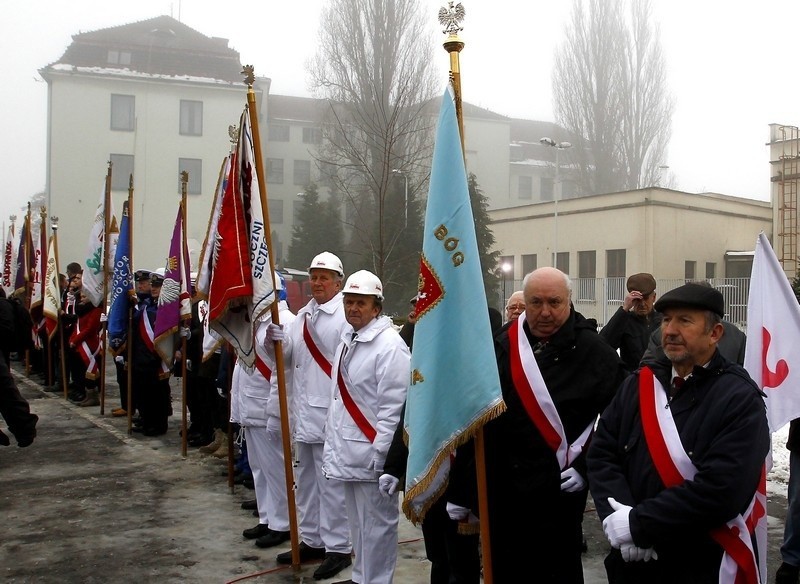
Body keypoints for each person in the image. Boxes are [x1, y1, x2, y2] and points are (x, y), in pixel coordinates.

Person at [447, 267, 627, 583]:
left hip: (555, 494)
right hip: (503, 492)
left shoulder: (595, 352)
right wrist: (462, 490)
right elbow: (474, 423)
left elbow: (619, 421)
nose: (545, 312)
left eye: (554, 302)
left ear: (569, 302)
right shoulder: (501, 345)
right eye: (536, 302)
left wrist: (585, 466)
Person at [587, 282, 769, 583]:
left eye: (684, 320)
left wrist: (639, 524)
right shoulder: (639, 384)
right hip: (633, 563)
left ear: (715, 334)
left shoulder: (739, 398)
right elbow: (603, 452)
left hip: (701, 563)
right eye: (667, 319)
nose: (670, 330)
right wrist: (619, 519)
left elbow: (722, 490)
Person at [264, 251, 352, 580]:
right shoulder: (303, 315)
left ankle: (339, 546)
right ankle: (312, 539)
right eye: (313, 276)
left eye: (324, 277)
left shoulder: (343, 315)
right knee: (306, 483)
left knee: (331, 487)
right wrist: (277, 342)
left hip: (330, 414)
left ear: (337, 282)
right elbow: (289, 358)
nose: (317, 282)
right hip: (304, 413)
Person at [321, 270, 410, 584]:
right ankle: (361, 576)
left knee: (378, 527)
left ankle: (376, 580)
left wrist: (384, 458)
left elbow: (393, 410)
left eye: (361, 302)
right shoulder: (349, 339)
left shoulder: (390, 348)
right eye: (349, 301)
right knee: (358, 524)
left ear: (377, 307)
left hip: (372, 454)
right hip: (348, 451)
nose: (353, 308)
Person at [236, 272, 296, 549]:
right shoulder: (257, 323)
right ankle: (267, 516)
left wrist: (276, 412)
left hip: (266, 407)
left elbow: (284, 373)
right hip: (251, 406)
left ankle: (282, 523)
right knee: (260, 469)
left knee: (276, 469)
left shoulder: (284, 321)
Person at [599, 272, 661, 373]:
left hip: (660, 379)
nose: (642, 304)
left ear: (653, 297)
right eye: (637, 300)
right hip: (633, 380)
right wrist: (624, 310)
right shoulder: (624, 321)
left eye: (645, 298)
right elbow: (603, 345)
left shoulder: (663, 321)